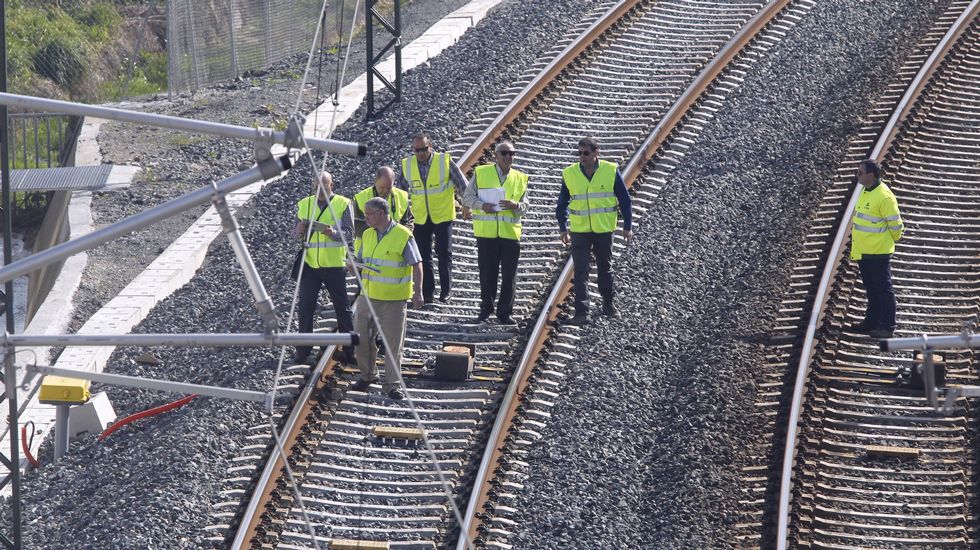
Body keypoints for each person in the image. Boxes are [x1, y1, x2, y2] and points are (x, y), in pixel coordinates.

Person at [349, 197, 424, 400]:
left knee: (392, 344)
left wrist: (418, 292)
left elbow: (417, 264)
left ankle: (391, 385)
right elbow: (361, 260)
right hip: (368, 297)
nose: (366, 218)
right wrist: (353, 265)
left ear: (381, 213)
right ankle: (368, 375)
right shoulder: (367, 234)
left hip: (393, 301)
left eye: (369, 214)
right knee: (361, 338)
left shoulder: (403, 235)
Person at [556, 137, 632, 326]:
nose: (582, 156)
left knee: (605, 268)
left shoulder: (610, 170)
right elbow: (562, 203)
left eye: (586, 153)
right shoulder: (569, 173)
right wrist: (562, 227)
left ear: (597, 152)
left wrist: (627, 226)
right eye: (579, 153)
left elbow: (624, 199)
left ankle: (608, 303)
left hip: (603, 229)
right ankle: (582, 312)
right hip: (579, 230)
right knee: (580, 271)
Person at [396, 133, 468, 304]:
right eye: (417, 150)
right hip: (421, 217)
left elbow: (462, 184)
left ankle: (446, 290)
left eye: (424, 149)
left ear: (431, 146)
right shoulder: (407, 165)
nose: (420, 153)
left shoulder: (443, 161)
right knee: (423, 256)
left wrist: (466, 204)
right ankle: (428, 293)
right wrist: (401, 216)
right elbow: (400, 192)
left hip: (442, 214)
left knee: (444, 253)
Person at [462, 140, 529, 324]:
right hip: (487, 234)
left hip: (510, 234)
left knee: (509, 275)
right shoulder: (481, 172)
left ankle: (505, 313)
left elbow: (525, 206)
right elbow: (467, 197)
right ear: (496, 155)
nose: (509, 157)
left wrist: (516, 205)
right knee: (487, 274)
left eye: (512, 153)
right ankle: (486, 309)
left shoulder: (520, 177)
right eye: (505, 153)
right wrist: (482, 205)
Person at [294, 171, 354, 365]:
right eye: (317, 187)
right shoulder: (304, 204)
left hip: (334, 264)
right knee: (305, 308)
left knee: (342, 308)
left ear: (331, 185)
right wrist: (299, 231)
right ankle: (303, 351)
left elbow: (349, 234)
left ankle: (349, 350)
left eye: (324, 186)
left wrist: (332, 233)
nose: (320, 190)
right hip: (311, 265)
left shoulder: (343, 204)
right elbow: (295, 234)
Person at [850, 159, 903, 339]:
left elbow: (896, 227)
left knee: (884, 289)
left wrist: (887, 243)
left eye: (860, 173)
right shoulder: (867, 190)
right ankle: (872, 321)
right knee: (871, 288)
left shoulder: (884, 196)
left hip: (878, 252)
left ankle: (888, 326)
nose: (857, 175)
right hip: (865, 251)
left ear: (871, 175)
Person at [353, 166, 414, 239]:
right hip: (368, 246)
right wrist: (382, 231)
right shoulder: (361, 198)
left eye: (389, 188)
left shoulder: (402, 196)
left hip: (395, 245)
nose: (385, 191)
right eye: (382, 188)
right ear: (375, 181)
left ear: (394, 183)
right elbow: (355, 226)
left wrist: (401, 234)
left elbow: (408, 221)